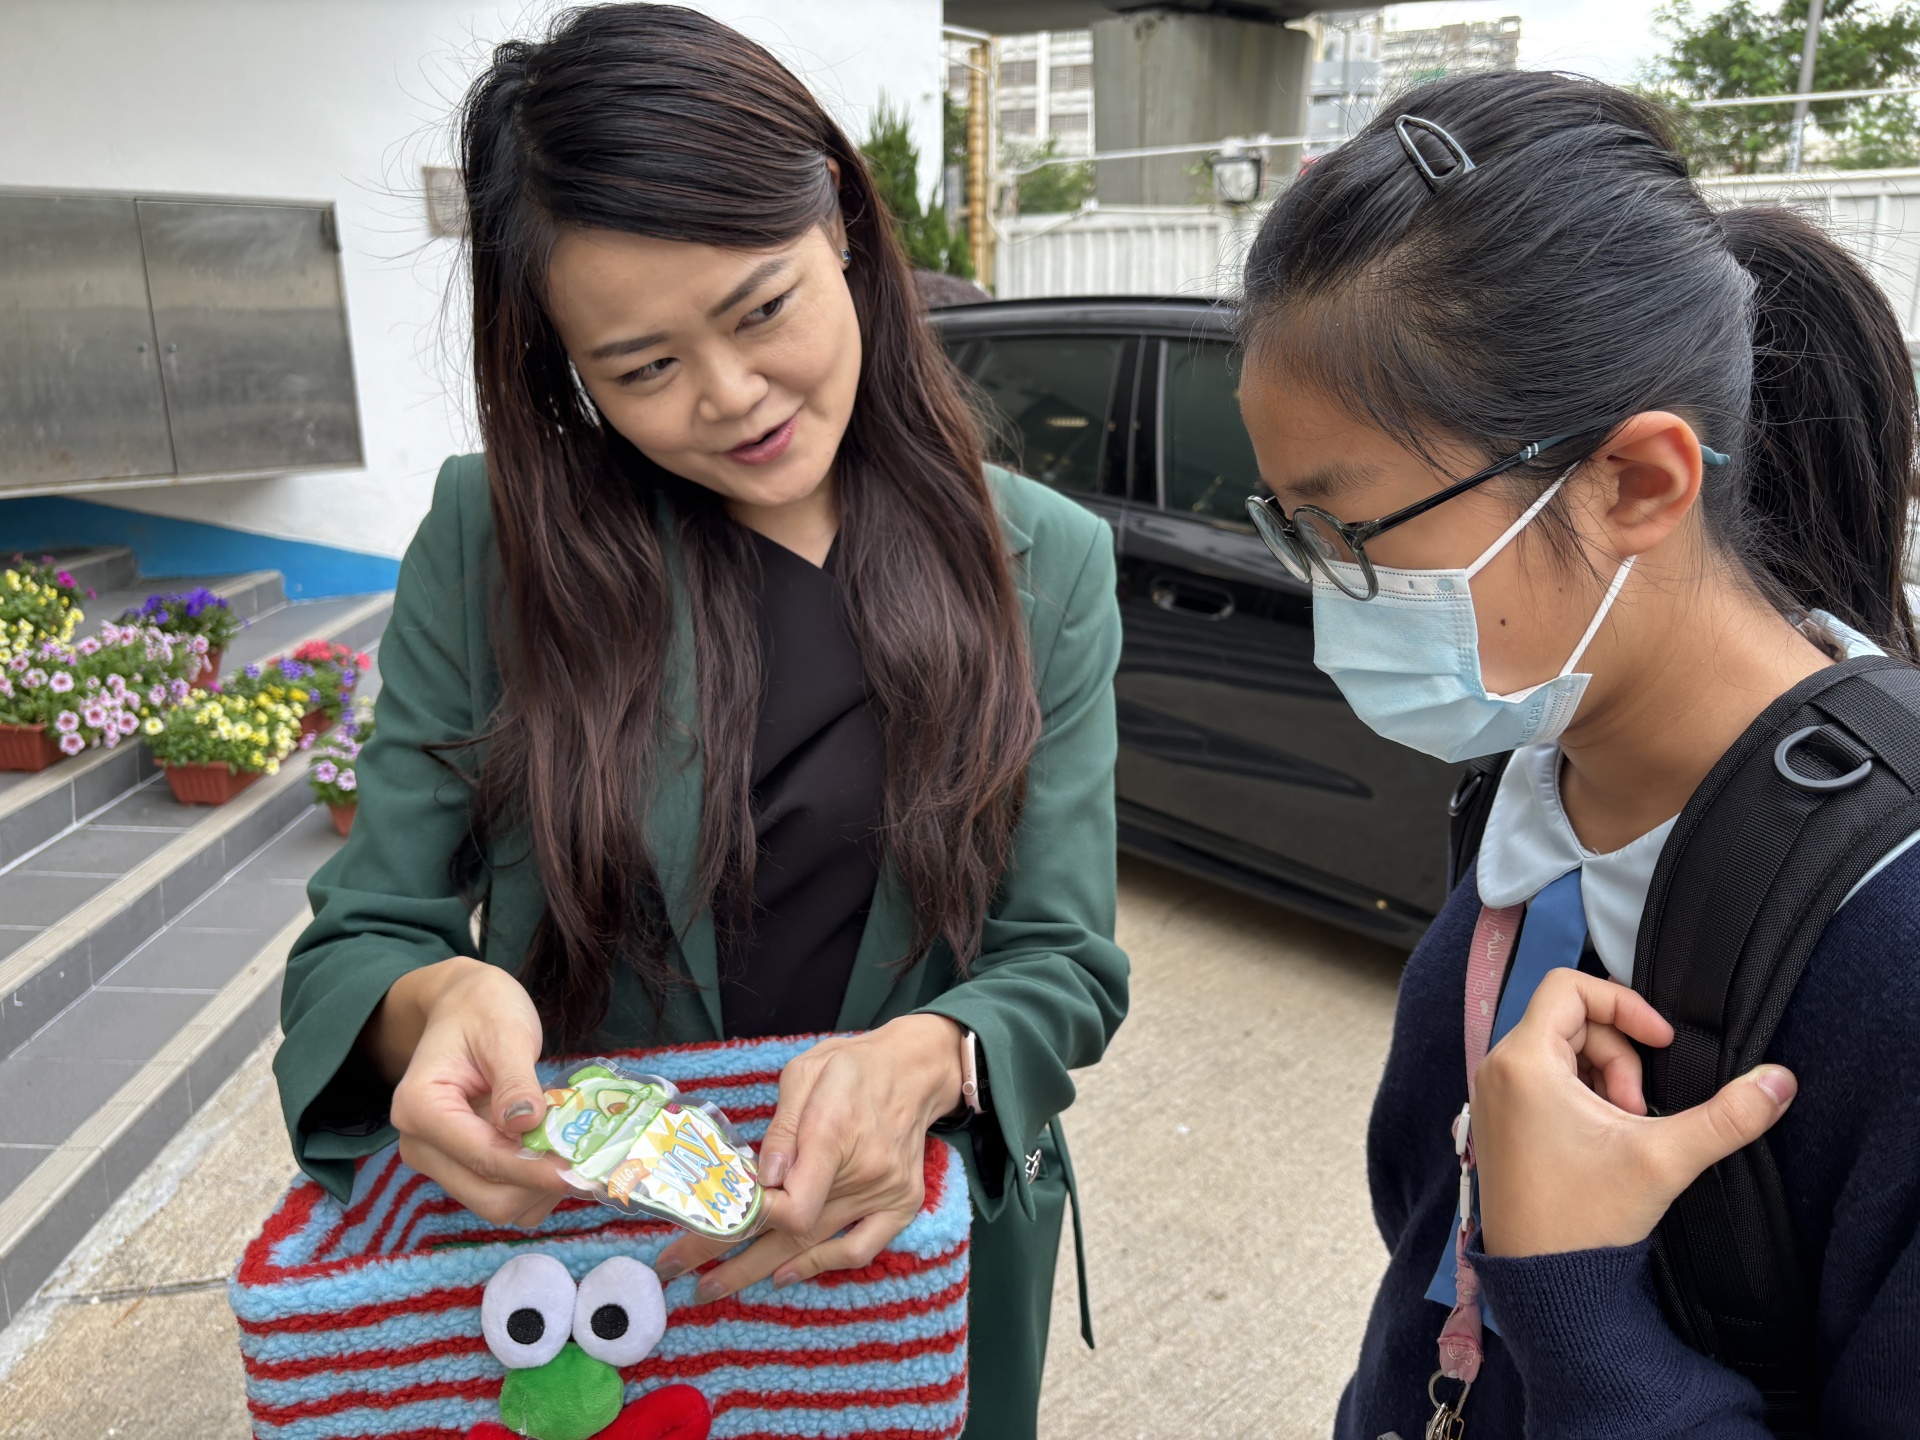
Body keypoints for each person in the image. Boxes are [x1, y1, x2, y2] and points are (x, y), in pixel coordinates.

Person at [270, 8, 1128, 1437]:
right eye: (642, 368)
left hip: (902, 1261)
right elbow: (362, 937)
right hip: (600, 1277)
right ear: (566, 365)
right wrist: (434, 1006)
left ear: (839, 221)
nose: (732, 400)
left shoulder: (1041, 562)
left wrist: (930, 1056)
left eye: (761, 309)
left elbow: (1062, 958)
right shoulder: (497, 545)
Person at [1236, 71, 1920, 1435]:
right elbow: (1423, 1236)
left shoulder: (1891, 937)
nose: (1326, 593)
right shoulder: (1533, 770)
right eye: (1291, 529)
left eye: (1351, 531)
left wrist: (1576, 1288)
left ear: (1636, 483)